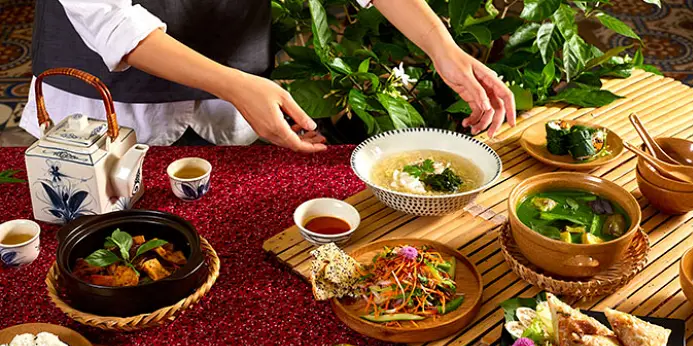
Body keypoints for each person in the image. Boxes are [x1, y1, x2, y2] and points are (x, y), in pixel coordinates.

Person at [22, 0, 516, 150]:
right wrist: (235, 86)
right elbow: (109, 18)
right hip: (108, 110)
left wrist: (442, 47)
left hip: (231, 104)